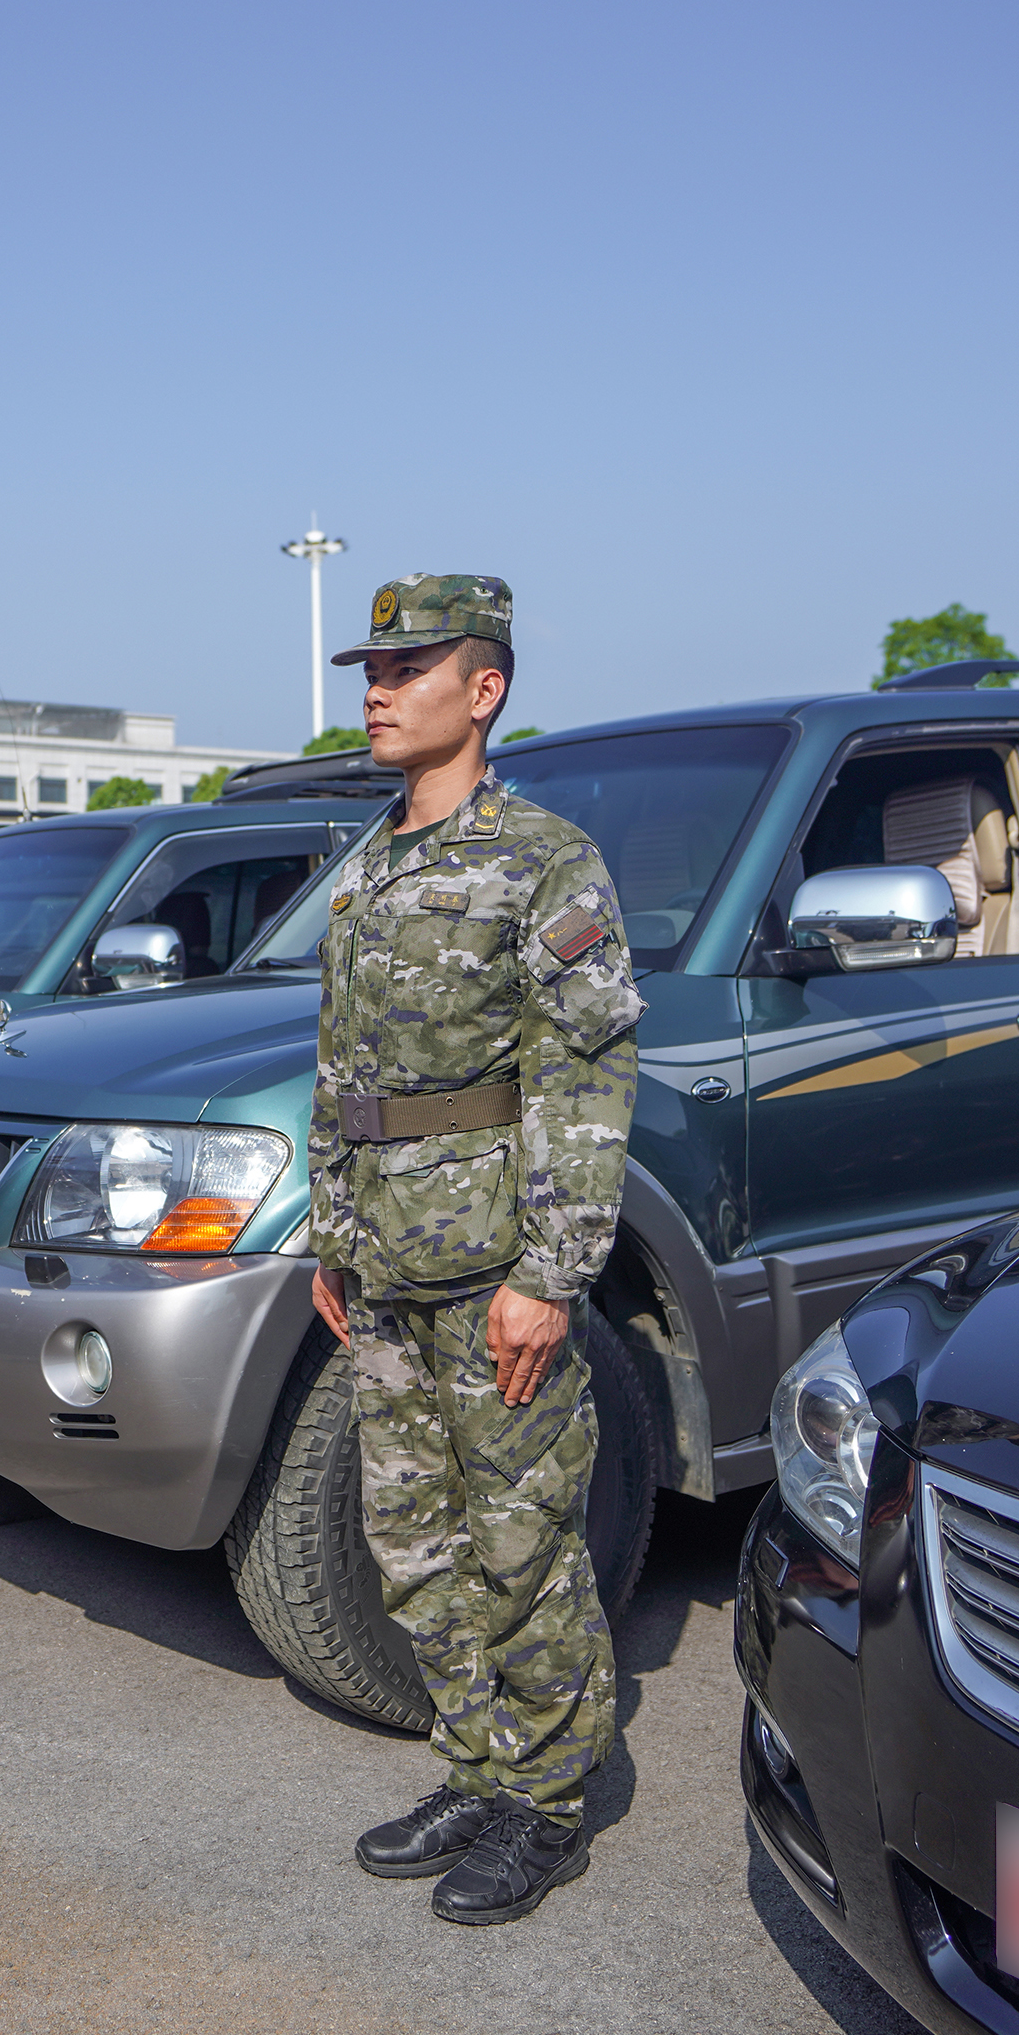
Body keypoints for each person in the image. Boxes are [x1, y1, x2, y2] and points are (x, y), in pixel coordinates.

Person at [305, 572, 644, 1927]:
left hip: (493, 1258)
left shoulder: (544, 859)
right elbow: (342, 1071)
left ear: (483, 688)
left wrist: (551, 1276)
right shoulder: (373, 862)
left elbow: (587, 1068)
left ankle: (547, 1804)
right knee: (416, 1543)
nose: (378, 693)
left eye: (407, 669)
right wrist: (329, 1234)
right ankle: (474, 1763)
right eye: (370, 673)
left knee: (521, 1545)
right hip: (384, 1266)